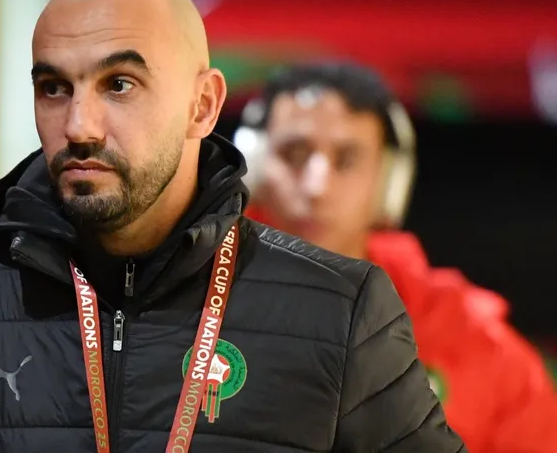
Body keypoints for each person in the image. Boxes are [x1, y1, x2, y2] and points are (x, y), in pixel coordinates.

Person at [0, 0, 465, 453]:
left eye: (119, 84)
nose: (79, 125)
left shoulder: (338, 310)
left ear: (202, 107)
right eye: (54, 87)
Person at [235, 61, 557, 452]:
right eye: (295, 153)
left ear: (388, 182)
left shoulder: (468, 335)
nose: (317, 186)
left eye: (347, 159)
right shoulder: (188, 298)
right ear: (253, 169)